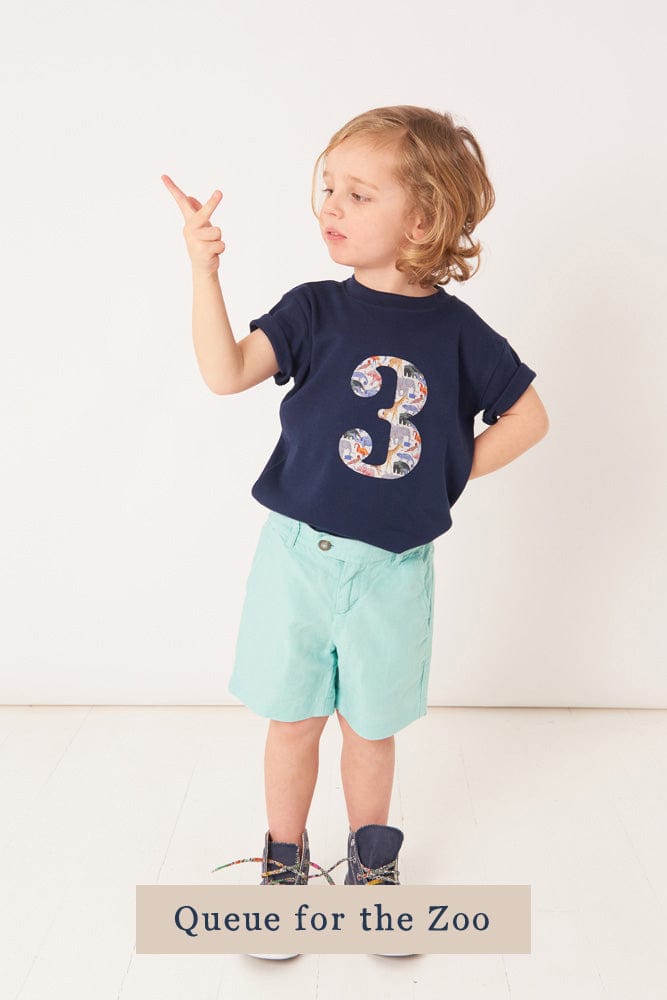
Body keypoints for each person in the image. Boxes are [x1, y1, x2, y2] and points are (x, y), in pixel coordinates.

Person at [162, 104, 549, 959]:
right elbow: (226, 373)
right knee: (293, 717)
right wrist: (202, 271)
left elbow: (528, 417)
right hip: (297, 557)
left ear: (422, 218)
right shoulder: (312, 310)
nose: (330, 205)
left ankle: (371, 867)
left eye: (358, 193)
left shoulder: (459, 334)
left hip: (393, 568)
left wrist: (445, 472)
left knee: (371, 726)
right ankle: (284, 864)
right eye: (327, 187)